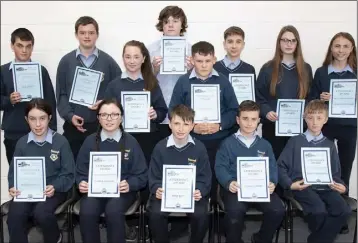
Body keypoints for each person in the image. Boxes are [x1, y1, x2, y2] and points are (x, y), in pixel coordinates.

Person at [169, 41, 239, 201]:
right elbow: (172, 110)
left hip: (218, 140)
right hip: (191, 140)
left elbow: (234, 110)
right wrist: (191, 128)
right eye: (199, 61)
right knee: (193, 179)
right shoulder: (183, 81)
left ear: (214, 59)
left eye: (207, 61)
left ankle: (216, 221)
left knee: (216, 178)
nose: (204, 65)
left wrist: (219, 125)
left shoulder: (223, 81)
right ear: (192, 60)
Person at [277, 99, 351, 243]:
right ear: (305, 118)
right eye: (310, 118)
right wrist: (290, 185)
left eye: (319, 118)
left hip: (326, 187)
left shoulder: (329, 145)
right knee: (319, 210)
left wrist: (342, 187)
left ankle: (316, 240)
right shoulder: (295, 141)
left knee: (344, 210)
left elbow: (335, 174)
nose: (315, 122)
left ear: (326, 119)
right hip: (302, 187)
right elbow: (280, 167)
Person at [75, 98, 148, 243]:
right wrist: (81, 182)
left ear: (121, 117)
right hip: (95, 191)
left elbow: (142, 175)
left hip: (123, 192)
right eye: (104, 115)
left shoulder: (131, 142)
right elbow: (80, 172)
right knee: (87, 211)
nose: (109, 119)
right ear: (98, 118)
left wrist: (129, 184)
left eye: (114, 114)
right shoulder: (89, 142)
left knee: (113, 211)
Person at [215, 100, 285, 243]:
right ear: (237, 120)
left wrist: (272, 182)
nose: (249, 123)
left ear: (259, 121)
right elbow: (220, 167)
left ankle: (261, 239)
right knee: (234, 213)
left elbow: (272, 166)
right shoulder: (227, 143)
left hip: (261, 189)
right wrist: (229, 182)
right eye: (245, 118)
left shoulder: (265, 145)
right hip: (236, 189)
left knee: (278, 210)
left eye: (253, 119)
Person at [7, 98, 75, 243]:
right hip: (26, 191)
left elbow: (69, 174)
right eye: (32, 119)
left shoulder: (61, 142)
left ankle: (55, 237)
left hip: (54, 191)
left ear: (49, 118)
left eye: (42, 118)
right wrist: (12, 186)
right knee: (14, 215)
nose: (38, 124)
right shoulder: (21, 143)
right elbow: (13, 172)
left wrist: (55, 186)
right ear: (26, 119)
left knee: (42, 213)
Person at [56, 16, 122, 161]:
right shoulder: (66, 62)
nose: (87, 36)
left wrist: (105, 102)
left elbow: (119, 92)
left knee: (100, 169)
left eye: (91, 32)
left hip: (101, 127)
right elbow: (61, 94)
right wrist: (70, 116)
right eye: (83, 32)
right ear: (76, 35)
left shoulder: (108, 62)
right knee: (72, 171)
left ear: (97, 35)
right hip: (72, 127)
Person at [148, 104, 212, 243]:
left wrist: (200, 190)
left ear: (192, 125)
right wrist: (156, 188)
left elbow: (205, 177)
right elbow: (154, 175)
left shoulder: (199, 148)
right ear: (170, 124)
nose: (181, 128)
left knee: (201, 215)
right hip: (166, 194)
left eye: (185, 124)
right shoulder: (160, 147)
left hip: (191, 195)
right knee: (155, 214)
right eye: (176, 123)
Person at [105, 40, 168, 165]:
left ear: (143, 58)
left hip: (148, 139)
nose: (132, 61)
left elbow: (162, 110)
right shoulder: (114, 85)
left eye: (136, 57)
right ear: (123, 58)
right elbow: (105, 113)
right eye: (128, 57)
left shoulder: (151, 83)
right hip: (121, 139)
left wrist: (155, 115)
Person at [308, 32, 357, 193]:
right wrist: (321, 99)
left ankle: (343, 204)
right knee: (322, 166)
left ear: (351, 49)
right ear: (331, 48)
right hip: (325, 126)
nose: (341, 50)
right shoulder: (321, 72)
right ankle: (322, 202)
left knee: (345, 168)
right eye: (337, 46)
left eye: (345, 46)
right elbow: (311, 100)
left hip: (349, 127)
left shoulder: (356, 72)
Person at [255, 25, 313, 160]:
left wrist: (306, 111)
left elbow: (311, 97)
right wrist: (267, 112)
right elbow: (259, 96)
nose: (289, 44)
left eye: (293, 40)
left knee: (295, 168)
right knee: (275, 168)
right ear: (279, 42)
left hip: (298, 128)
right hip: (273, 128)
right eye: (285, 40)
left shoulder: (306, 69)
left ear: (297, 43)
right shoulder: (268, 68)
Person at [0, 28, 57, 164]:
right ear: (12, 46)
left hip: (40, 133)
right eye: (20, 46)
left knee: (41, 175)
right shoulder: (3, 71)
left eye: (28, 46)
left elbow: (51, 102)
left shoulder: (41, 71)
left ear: (32, 47)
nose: (24, 50)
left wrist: (52, 132)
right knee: (17, 177)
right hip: (13, 133)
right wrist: (10, 100)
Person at [148, 5, 193, 143]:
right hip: (159, 112)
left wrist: (191, 70)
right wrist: (154, 70)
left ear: (182, 25)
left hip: (183, 114)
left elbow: (199, 83)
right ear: (162, 25)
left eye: (175, 21)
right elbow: (143, 82)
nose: (171, 25)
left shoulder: (191, 49)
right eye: (166, 21)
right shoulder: (151, 49)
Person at [214, 26, 257, 135]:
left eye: (238, 42)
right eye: (230, 42)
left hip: (242, 125)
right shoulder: (214, 68)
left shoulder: (249, 69)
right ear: (224, 44)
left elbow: (253, 99)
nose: (234, 46)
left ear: (243, 45)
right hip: (220, 124)